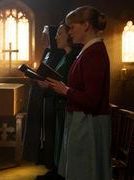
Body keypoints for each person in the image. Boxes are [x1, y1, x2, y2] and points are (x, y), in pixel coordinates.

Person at [47, 6, 111, 180]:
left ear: (86, 25)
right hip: (80, 118)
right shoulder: (86, 51)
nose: (70, 32)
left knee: (86, 172)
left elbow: (92, 100)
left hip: (89, 121)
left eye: (72, 27)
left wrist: (65, 90)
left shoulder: (95, 52)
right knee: (78, 170)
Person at [35, 22, 82, 180]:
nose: (56, 37)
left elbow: (69, 84)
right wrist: (47, 84)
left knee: (63, 141)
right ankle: (57, 170)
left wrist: (49, 85)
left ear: (69, 35)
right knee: (58, 141)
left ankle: (61, 173)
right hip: (59, 104)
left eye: (59, 33)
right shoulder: (64, 56)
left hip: (66, 105)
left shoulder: (73, 57)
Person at [23, 25, 64, 170]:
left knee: (51, 134)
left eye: (45, 35)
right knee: (44, 133)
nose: (42, 38)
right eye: (42, 35)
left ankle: (52, 165)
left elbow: (56, 77)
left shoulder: (58, 54)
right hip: (42, 97)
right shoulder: (47, 52)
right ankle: (45, 162)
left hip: (51, 99)